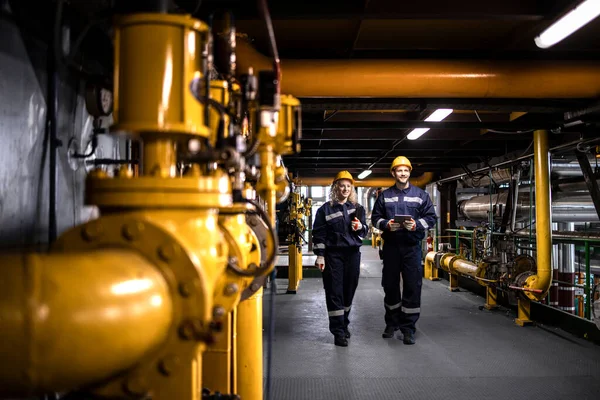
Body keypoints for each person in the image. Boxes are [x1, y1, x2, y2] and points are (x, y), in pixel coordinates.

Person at [370, 156, 437, 344]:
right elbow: (376, 218)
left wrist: (416, 225)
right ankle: (392, 323)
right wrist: (386, 224)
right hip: (391, 247)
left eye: (406, 170)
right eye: (399, 170)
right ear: (393, 173)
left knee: (412, 286)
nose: (403, 173)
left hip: (411, 248)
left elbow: (431, 217)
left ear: (409, 172)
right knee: (390, 285)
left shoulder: (420, 195)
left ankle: (408, 328)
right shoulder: (385, 195)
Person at [312, 170, 369, 347]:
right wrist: (320, 256)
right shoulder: (325, 209)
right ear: (335, 188)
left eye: (348, 186)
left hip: (352, 254)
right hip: (333, 255)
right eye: (341, 186)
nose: (345, 189)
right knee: (334, 291)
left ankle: (344, 323)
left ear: (351, 188)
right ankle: (338, 331)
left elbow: (365, 231)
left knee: (349, 290)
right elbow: (319, 234)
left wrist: (360, 226)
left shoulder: (358, 208)